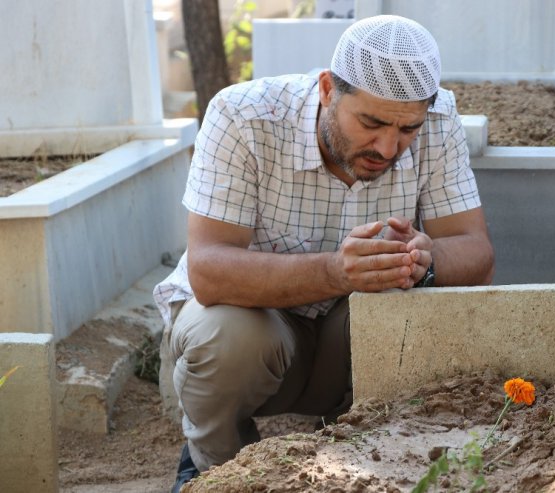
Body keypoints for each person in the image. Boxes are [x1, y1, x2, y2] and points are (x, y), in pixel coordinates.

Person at [153, 14, 494, 492]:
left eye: (407, 129)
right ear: (328, 88)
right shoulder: (243, 115)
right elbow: (208, 270)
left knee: (408, 306)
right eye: (371, 122)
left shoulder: (437, 122)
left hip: (348, 340)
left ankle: (355, 465)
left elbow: (475, 251)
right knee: (223, 335)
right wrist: (338, 270)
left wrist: (427, 258)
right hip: (254, 338)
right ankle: (216, 473)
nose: (388, 147)